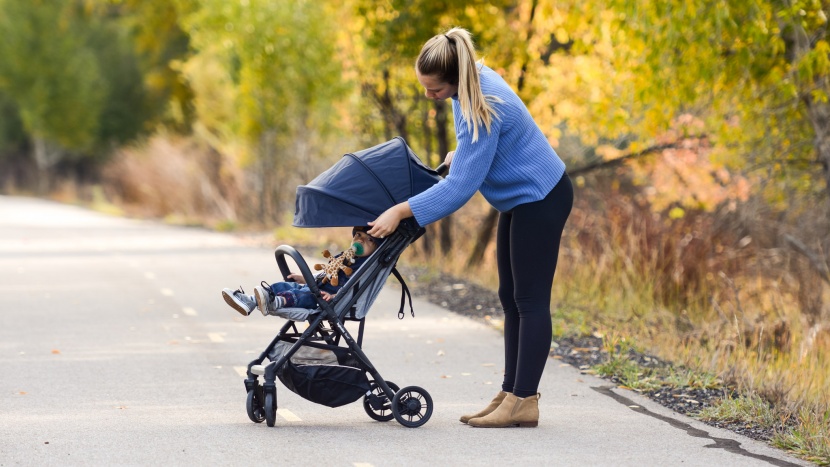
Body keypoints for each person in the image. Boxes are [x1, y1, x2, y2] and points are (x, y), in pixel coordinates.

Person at [367, 27, 573, 428]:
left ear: (454, 78)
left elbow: (459, 190)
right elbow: (486, 145)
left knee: (530, 301)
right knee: (509, 296)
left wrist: (400, 211)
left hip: (542, 198)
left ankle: (524, 400)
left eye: (434, 90)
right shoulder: (468, 87)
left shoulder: (485, 101)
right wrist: (460, 153)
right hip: (519, 198)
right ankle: (511, 392)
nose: (430, 97)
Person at [222, 227, 381, 316]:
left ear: (376, 249)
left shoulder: (365, 267)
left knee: (303, 296)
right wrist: (305, 279)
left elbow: (356, 290)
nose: (360, 240)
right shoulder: (344, 257)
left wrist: (333, 296)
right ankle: (250, 301)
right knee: (284, 286)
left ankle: (276, 302)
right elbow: (326, 275)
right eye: (358, 235)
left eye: (369, 239)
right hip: (316, 288)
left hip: (327, 301)